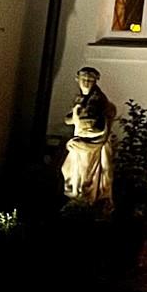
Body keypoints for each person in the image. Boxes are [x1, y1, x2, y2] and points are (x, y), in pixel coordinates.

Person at [61, 66, 115, 211]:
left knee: (86, 176)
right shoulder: (80, 98)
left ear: (95, 82)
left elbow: (95, 124)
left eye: (90, 80)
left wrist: (79, 121)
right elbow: (69, 119)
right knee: (68, 170)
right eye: (83, 79)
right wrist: (75, 116)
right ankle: (77, 202)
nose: (86, 82)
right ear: (77, 79)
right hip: (80, 141)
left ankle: (85, 204)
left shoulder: (97, 100)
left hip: (90, 144)